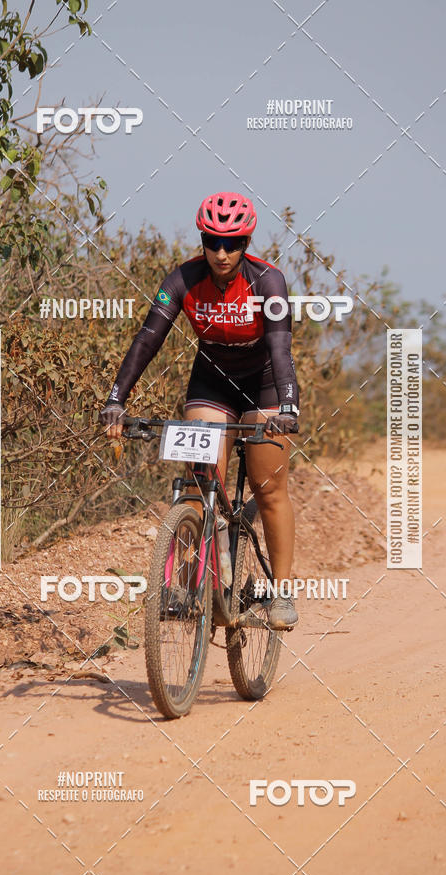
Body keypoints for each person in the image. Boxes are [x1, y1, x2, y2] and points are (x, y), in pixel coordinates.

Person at [99, 191, 299, 629]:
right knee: (199, 482)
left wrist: (288, 405)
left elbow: (281, 349)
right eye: (213, 241)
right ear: (202, 239)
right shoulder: (183, 280)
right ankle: (193, 586)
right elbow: (147, 339)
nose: (222, 253)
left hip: (263, 383)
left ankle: (282, 593)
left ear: (247, 243)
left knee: (269, 489)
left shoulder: (269, 281)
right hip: (211, 381)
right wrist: (116, 398)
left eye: (233, 244)